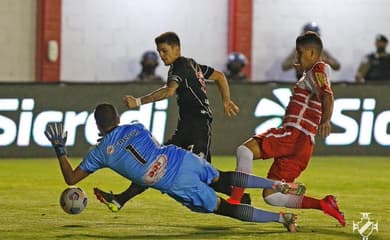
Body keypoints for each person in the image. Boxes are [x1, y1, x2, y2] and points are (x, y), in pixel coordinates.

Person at [44, 103, 305, 232]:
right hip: (180, 159)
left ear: (98, 127)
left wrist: (60, 149)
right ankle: (276, 184)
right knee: (224, 177)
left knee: (224, 208)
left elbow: (71, 178)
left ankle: (281, 218)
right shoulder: (136, 126)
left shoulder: (100, 153)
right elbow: (151, 148)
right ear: (118, 118)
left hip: (175, 183)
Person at [94, 31, 245, 210]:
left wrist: (138, 101)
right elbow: (219, 76)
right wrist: (226, 100)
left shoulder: (179, 65)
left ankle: (243, 202)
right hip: (186, 129)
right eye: (159, 52)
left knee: (204, 175)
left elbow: (169, 91)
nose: (162, 56)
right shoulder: (192, 64)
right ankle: (120, 199)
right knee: (156, 165)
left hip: (197, 128)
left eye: (165, 51)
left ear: (177, 48)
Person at [228, 32, 346, 227]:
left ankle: (235, 199)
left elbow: (327, 95)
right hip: (304, 145)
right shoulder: (313, 74)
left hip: (294, 133)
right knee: (272, 197)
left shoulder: (318, 68)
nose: (296, 58)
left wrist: (325, 121)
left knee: (244, 151)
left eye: (300, 53)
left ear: (311, 52)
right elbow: (322, 93)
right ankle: (323, 204)